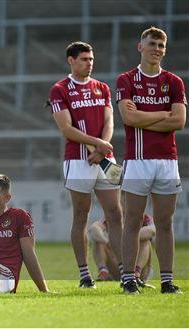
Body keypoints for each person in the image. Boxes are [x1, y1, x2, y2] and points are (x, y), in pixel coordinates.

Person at [116, 26, 186, 294]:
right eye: (152, 44)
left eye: (161, 46)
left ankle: (167, 281)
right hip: (138, 160)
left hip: (167, 161)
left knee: (165, 223)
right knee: (132, 221)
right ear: (140, 47)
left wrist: (146, 115)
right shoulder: (127, 80)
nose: (157, 49)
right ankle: (128, 279)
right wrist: (163, 114)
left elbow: (179, 121)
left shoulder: (174, 82)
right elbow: (129, 119)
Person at [49, 42, 123, 288]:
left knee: (116, 213)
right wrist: (96, 145)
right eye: (84, 59)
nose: (89, 63)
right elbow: (66, 128)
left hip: (105, 158)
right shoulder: (60, 89)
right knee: (81, 215)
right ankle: (84, 274)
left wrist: (103, 147)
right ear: (71, 60)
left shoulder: (102, 87)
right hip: (77, 160)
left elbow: (109, 120)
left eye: (91, 59)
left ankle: (125, 272)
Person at [88, 213, 155, 288]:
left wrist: (126, 238)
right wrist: (107, 242)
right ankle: (103, 272)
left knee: (145, 241)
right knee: (99, 241)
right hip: (118, 268)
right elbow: (94, 229)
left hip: (141, 268)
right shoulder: (114, 215)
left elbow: (152, 231)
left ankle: (136, 274)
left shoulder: (145, 217)